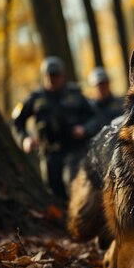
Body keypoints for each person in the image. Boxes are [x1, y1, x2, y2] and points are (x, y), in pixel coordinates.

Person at [12, 56, 102, 201]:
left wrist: (84, 129)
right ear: (44, 76)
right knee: (53, 191)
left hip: (74, 149)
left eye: (56, 75)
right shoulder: (36, 98)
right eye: (49, 75)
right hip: (49, 153)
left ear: (62, 75)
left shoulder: (75, 94)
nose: (52, 79)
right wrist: (24, 139)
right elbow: (17, 121)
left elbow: (94, 118)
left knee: (72, 182)